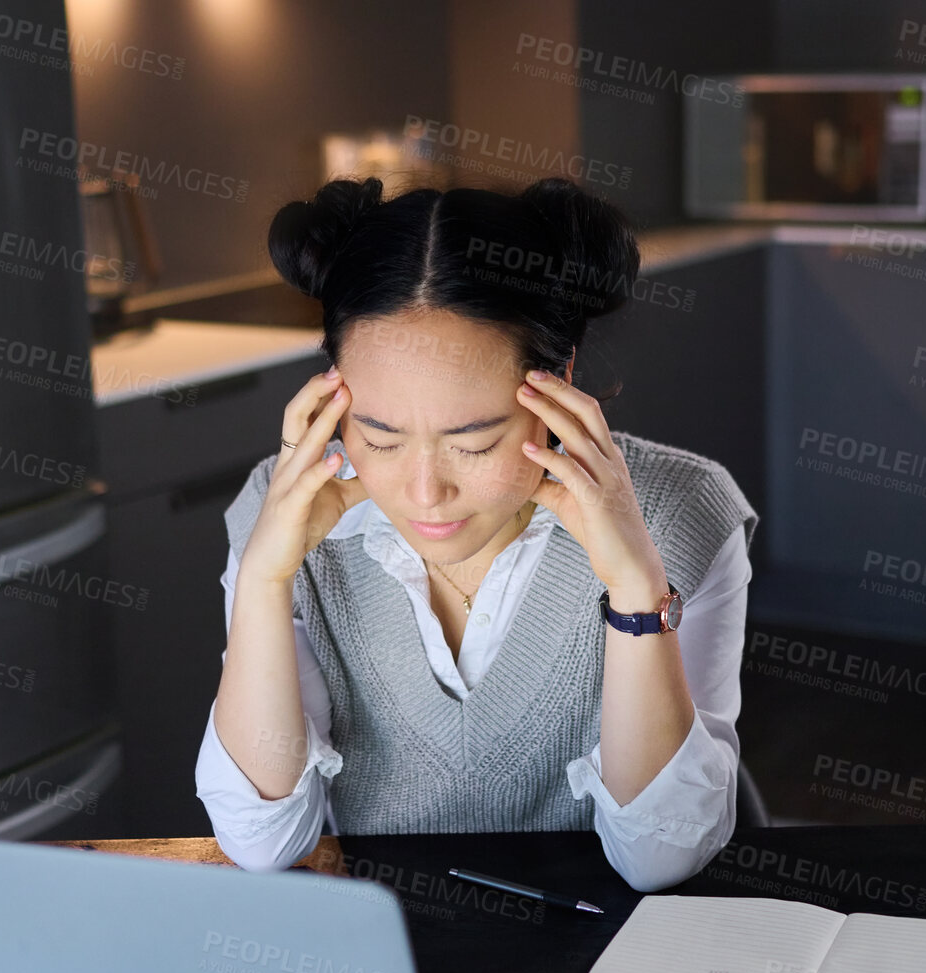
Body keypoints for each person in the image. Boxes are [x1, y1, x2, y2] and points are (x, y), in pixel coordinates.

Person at [194, 174, 759, 892]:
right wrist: (265, 581)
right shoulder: (283, 513)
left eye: (475, 441)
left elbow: (660, 859)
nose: (425, 492)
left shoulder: (680, 512)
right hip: (388, 953)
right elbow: (259, 841)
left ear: (561, 379)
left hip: (602, 948)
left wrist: (635, 590)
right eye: (380, 436)